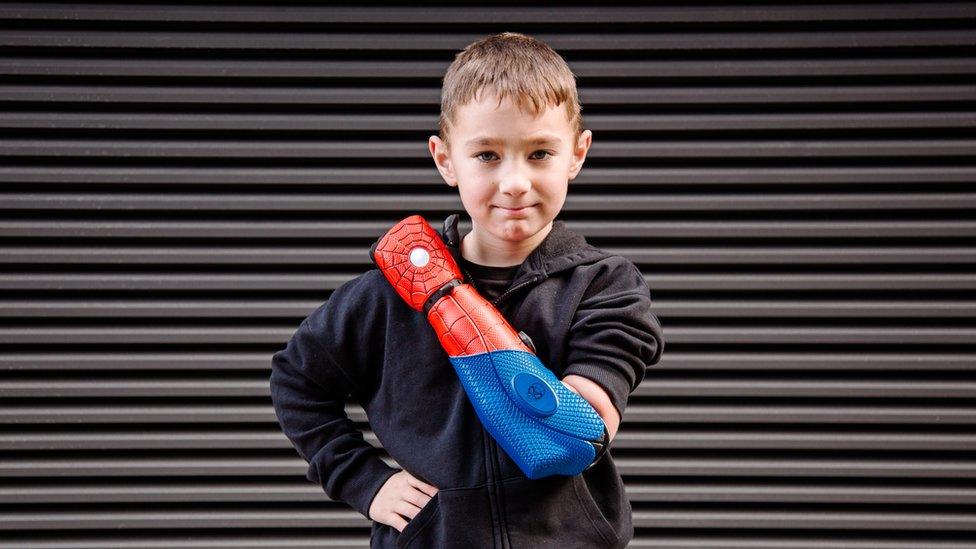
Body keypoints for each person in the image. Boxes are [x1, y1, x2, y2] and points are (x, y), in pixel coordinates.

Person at [269, 31, 665, 548]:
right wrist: (367, 482)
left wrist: (447, 299)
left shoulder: (605, 287)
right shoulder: (386, 294)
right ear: (444, 159)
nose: (516, 181)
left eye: (540, 152)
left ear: (578, 153)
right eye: (486, 155)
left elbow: (565, 438)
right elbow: (296, 380)